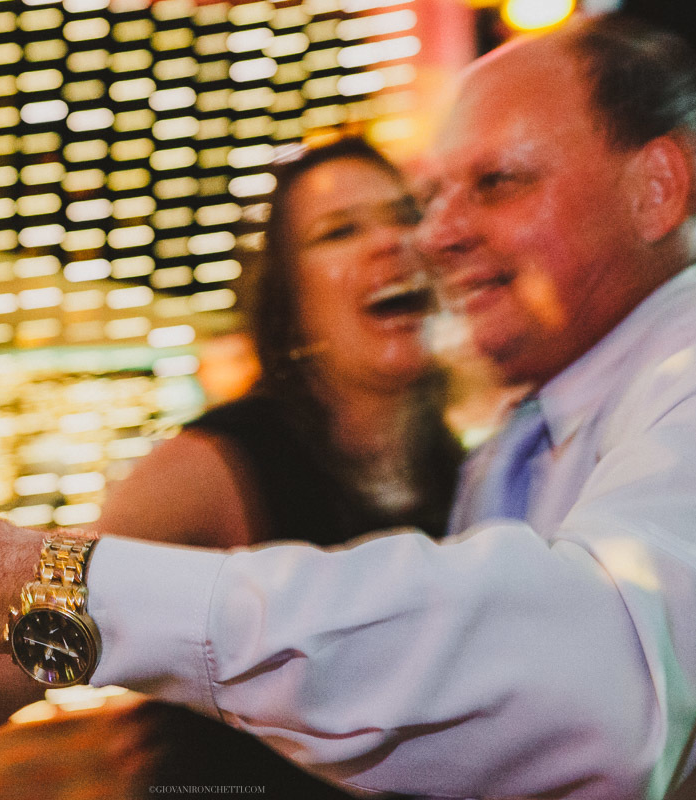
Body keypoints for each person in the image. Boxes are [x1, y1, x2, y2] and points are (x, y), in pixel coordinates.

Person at [0, 13, 696, 799]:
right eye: (356, 226)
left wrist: (3, 575)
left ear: (658, 187)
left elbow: (603, 669)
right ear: (290, 299)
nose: (429, 237)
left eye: (493, 184)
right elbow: (1, 665)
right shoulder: (242, 459)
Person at [94, 135, 461, 548]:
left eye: (406, 216)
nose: (390, 241)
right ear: (290, 301)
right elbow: (62, 576)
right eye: (340, 231)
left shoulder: (458, 465)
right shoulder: (219, 461)